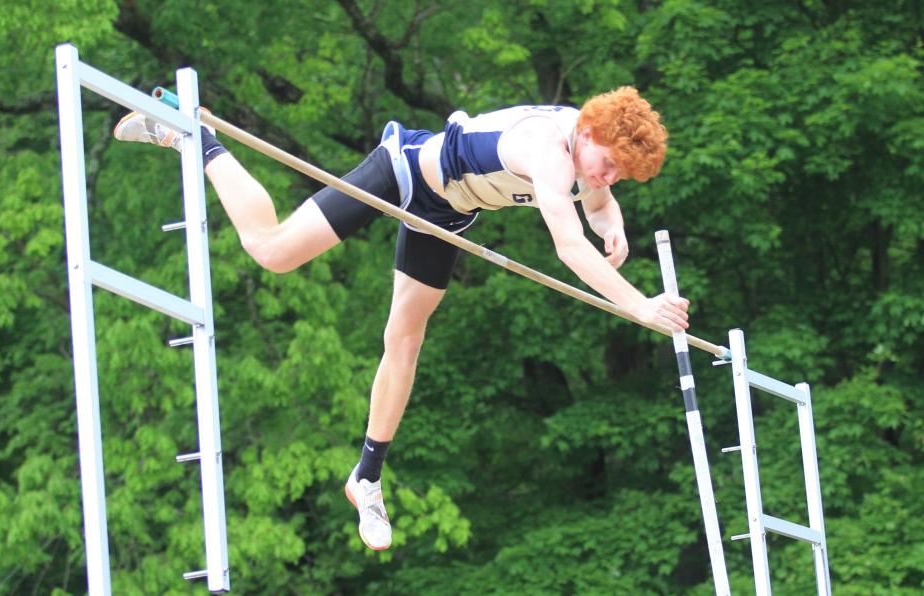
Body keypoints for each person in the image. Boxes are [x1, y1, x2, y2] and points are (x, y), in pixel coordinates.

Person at [113, 85, 689, 551]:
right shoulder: (548, 149)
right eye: (610, 165)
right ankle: (202, 141)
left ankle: (366, 477)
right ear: (587, 133)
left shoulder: (586, 155)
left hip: (445, 214)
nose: (608, 177)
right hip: (404, 171)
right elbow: (568, 245)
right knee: (273, 251)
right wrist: (638, 304)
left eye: (621, 174)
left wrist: (610, 220)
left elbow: (594, 198)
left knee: (405, 339)